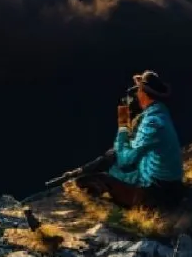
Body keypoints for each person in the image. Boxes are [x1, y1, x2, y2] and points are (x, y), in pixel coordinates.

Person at [74, 71, 184, 209]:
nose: (136, 95)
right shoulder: (160, 113)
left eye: (138, 90)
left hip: (158, 194)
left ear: (143, 94)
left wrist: (123, 123)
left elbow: (125, 160)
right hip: (168, 187)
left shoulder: (151, 122)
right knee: (113, 171)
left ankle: (108, 213)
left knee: (89, 180)